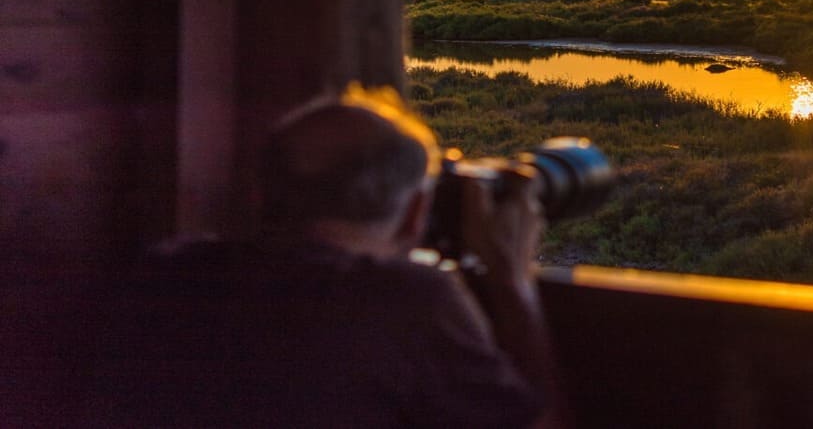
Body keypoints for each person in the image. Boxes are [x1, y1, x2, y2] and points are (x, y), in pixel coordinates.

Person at [85, 85, 569, 428]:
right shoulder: (406, 302)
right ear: (415, 212)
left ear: (260, 195)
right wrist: (512, 280)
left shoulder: (170, 271)